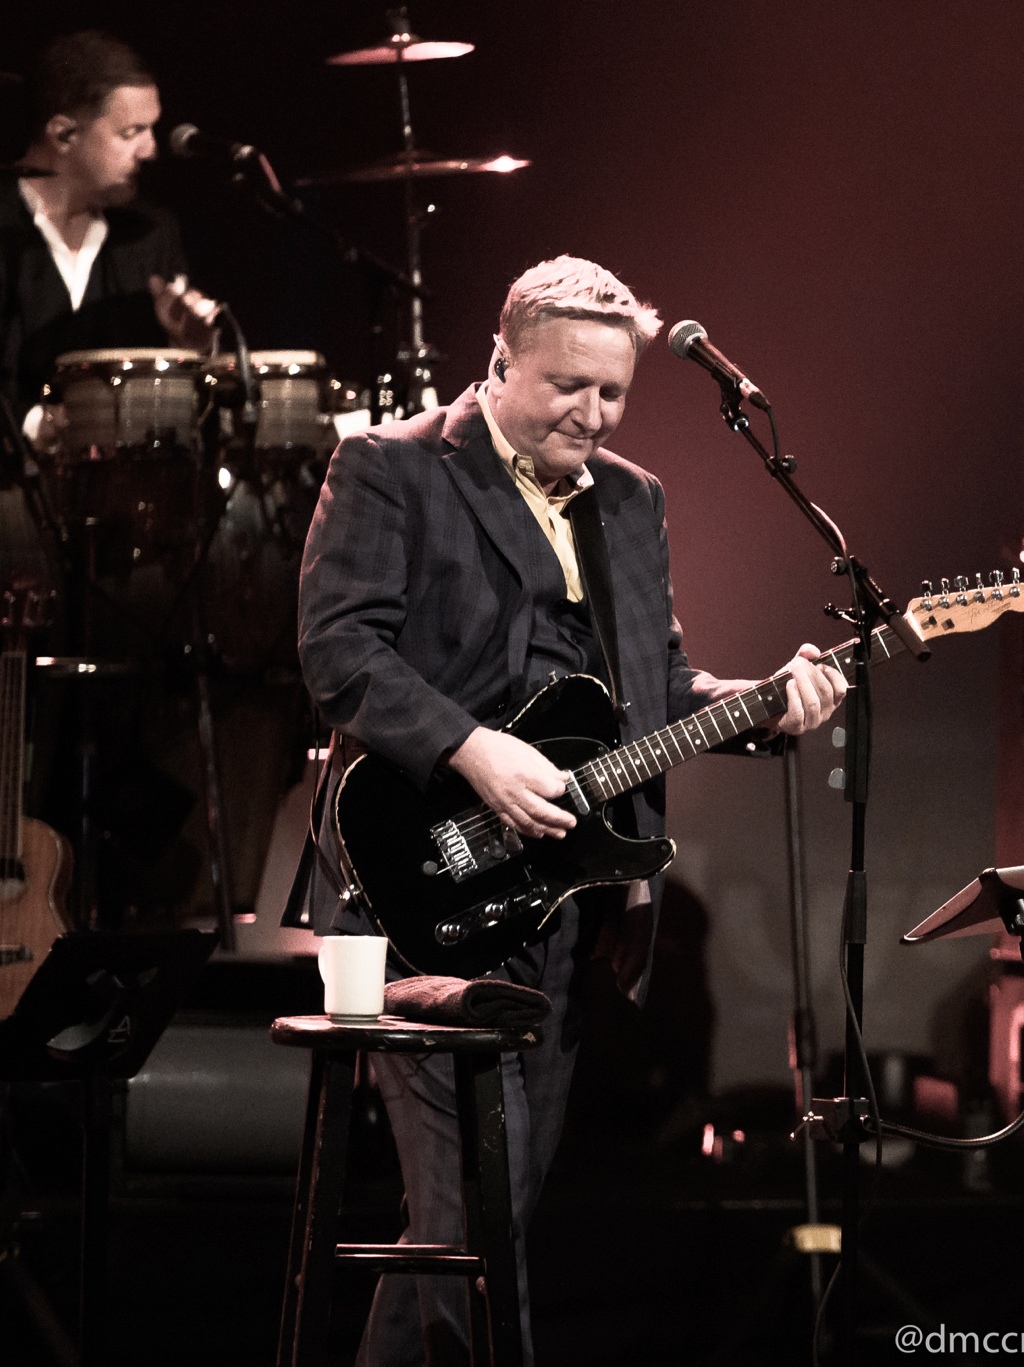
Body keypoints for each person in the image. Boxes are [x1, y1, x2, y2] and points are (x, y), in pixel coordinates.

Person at [295, 254, 847, 1366]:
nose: (591, 415)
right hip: (416, 885)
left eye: (612, 393)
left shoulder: (631, 500)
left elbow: (656, 689)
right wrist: (471, 748)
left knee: (479, 1224)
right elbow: (337, 649)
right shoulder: (392, 467)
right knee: (471, 1216)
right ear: (500, 363)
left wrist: (766, 704)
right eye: (566, 387)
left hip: (559, 907)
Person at [0, 29, 218, 437]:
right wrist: (37, 426)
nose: (151, 150)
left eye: (151, 129)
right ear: (64, 134)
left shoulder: (150, 233)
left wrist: (191, 345)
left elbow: (183, 407)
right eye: (131, 133)